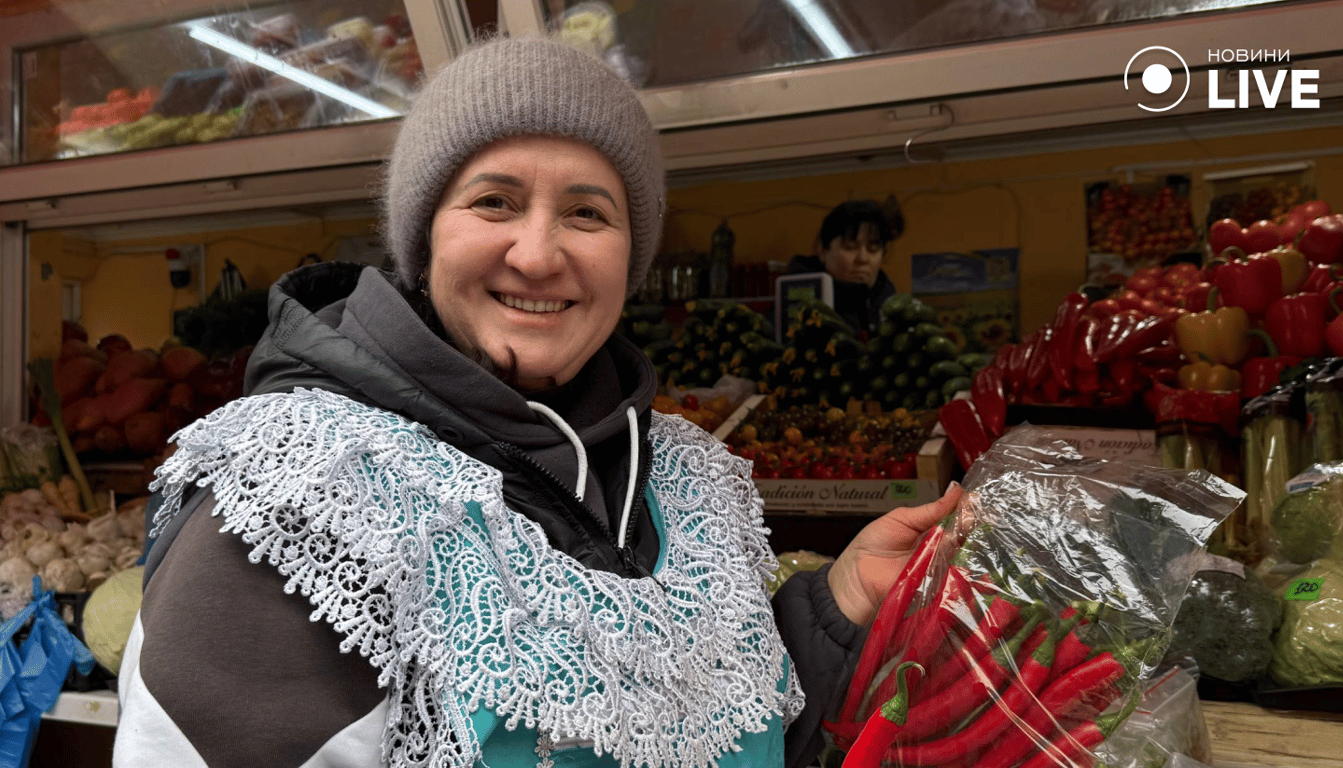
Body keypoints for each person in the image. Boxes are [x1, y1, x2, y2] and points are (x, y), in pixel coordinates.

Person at [112, 37, 962, 768]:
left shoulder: (690, 477)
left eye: (588, 213)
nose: (540, 253)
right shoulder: (297, 495)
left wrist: (837, 600)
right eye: (495, 201)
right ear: (423, 236)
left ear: (629, 256)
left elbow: (729, 735)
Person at [787, 198, 905, 335]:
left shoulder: (896, 308)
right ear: (822, 250)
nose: (863, 258)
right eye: (850, 247)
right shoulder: (794, 300)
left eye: (873, 248)